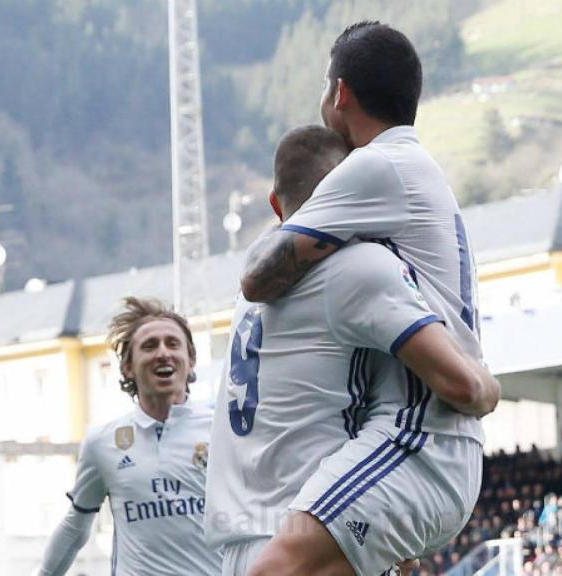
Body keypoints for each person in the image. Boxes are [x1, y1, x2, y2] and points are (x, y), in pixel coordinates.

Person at [237, 20, 489, 576]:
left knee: (269, 572)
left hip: (416, 438)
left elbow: (257, 279)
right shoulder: (414, 169)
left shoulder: (374, 167)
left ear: (340, 93)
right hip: (428, 444)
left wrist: (482, 386)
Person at [39, 297, 221, 575]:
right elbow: (76, 528)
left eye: (173, 344)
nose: (163, 353)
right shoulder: (103, 442)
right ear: (127, 366)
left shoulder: (223, 430)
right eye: (149, 346)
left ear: (191, 360)